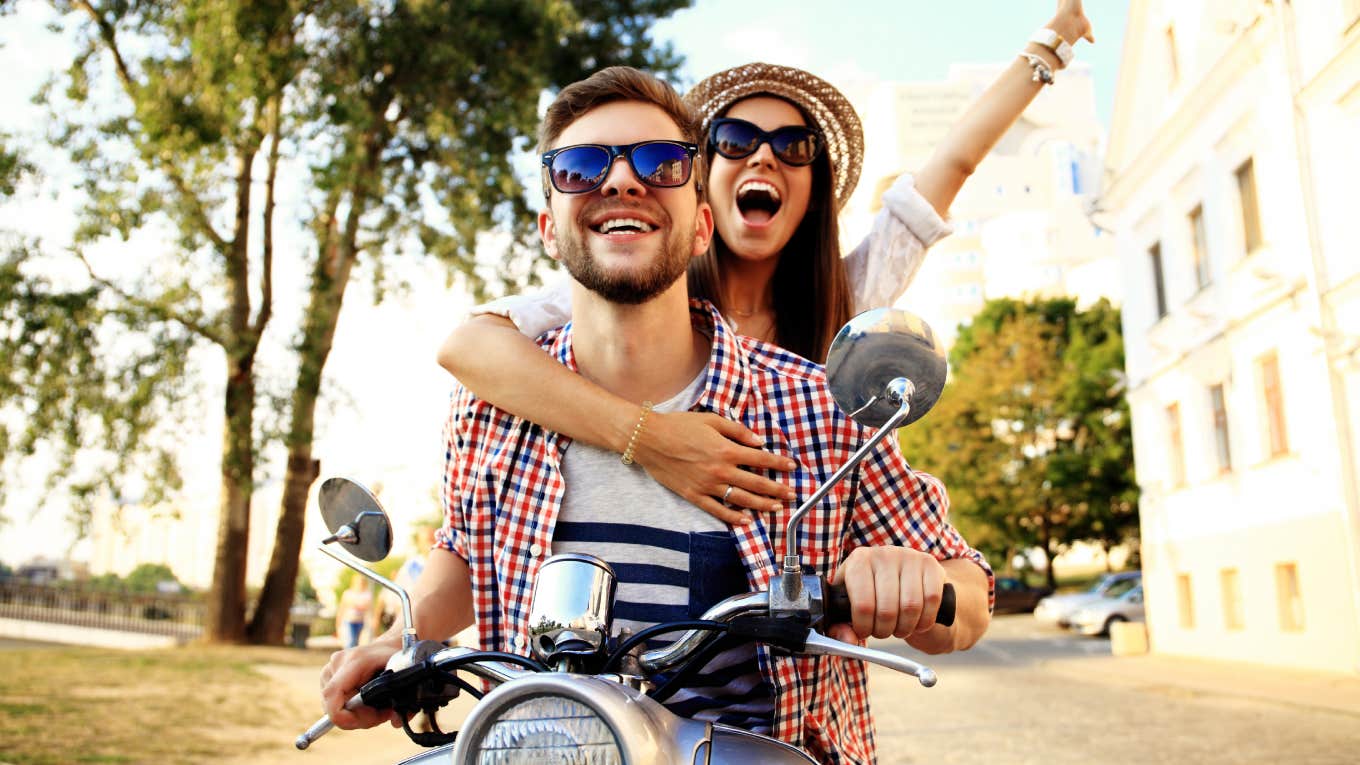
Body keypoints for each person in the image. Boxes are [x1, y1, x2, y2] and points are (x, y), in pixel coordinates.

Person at [321, 66, 992, 765]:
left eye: (661, 163)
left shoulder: (817, 403)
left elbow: (970, 592)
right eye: (581, 167)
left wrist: (917, 579)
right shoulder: (493, 403)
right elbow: (467, 548)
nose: (620, 181)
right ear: (548, 229)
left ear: (702, 224)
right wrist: (395, 643)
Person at [435, 1, 1095, 526]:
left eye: (793, 145)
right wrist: (652, 438)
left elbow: (949, 166)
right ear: (698, 184)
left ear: (813, 188)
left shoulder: (850, 299)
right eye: (735, 140)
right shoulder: (640, 287)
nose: (763, 158)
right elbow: (469, 346)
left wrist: (1050, 46)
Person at [336, 577, 370, 649]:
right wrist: (338, 621)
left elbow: (366, 606)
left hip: (360, 621)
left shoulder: (367, 594)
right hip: (349, 621)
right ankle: (348, 656)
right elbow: (342, 608)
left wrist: (353, 604)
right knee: (351, 641)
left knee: (356, 641)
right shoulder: (348, 593)